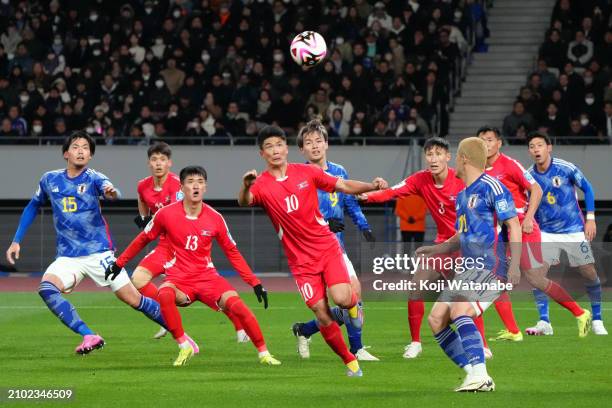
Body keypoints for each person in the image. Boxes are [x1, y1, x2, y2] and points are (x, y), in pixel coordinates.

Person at [238, 125, 388, 377]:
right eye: (269, 147)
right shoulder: (261, 185)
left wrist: (371, 186)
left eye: (278, 145)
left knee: (342, 298)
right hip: (300, 262)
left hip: (326, 247)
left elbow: (343, 185)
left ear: (286, 149)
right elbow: (244, 202)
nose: (275, 151)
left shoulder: (308, 172)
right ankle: (350, 361)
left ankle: (352, 305)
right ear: (262, 154)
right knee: (321, 311)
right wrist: (245, 186)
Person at [4, 132, 170, 355]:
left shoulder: (94, 177)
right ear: (66, 153)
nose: (81, 150)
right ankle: (89, 334)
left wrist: (112, 193)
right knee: (46, 288)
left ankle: (178, 331)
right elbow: (33, 206)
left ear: (90, 156)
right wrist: (16, 241)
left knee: (133, 299)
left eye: (85, 148)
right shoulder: (49, 179)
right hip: (67, 257)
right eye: (76, 146)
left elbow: (112, 191)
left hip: (99, 254)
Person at [106, 166, 280, 366]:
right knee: (164, 293)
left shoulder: (215, 218)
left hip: (208, 279)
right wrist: (119, 263)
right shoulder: (165, 214)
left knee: (238, 306)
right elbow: (143, 238)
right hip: (180, 280)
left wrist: (255, 282)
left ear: (205, 187)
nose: (195, 186)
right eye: (190, 182)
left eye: (200, 182)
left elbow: (232, 253)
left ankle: (264, 354)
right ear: (181, 187)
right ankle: (184, 345)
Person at [360, 137, 491, 359]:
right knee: (416, 286)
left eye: (438, 154)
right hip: (442, 245)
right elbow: (392, 192)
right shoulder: (421, 179)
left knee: (465, 296)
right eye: (430, 154)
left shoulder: (461, 180)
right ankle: (415, 343)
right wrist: (367, 196)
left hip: (467, 245)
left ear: (448, 158)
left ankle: (483, 345)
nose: (433, 158)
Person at [421, 137, 522, 392]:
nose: (454, 161)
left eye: (456, 156)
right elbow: (461, 236)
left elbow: (514, 224)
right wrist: (437, 248)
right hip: (468, 267)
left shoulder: (491, 186)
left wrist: (515, 265)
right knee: (435, 319)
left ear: (465, 158)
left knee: (460, 310)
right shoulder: (463, 195)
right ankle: (473, 374)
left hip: (490, 264)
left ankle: (481, 375)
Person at [132, 142, 248, 342]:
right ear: (149, 163)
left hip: (184, 247)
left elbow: (184, 211)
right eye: (154, 159)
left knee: (211, 291)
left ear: (170, 163)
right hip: (163, 246)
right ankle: (166, 317)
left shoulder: (179, 185)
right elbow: (143, 203)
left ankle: (240, 328)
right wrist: (144, 219)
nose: (158, 164)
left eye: (162, 159)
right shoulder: (143, 185)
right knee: (138, 279)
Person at [291, 119, 379, 362]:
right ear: (302, 150)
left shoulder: (339, 172)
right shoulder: (298, 177)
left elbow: (350, 202)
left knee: (353, 295)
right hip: (309, 251)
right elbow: (296, 215)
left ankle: (356, 348)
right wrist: (323, 224)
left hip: (335, 248)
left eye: (319, 141)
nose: (315, 146)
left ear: (326, 144)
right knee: (327, 308)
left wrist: (364, 226)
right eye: (309, 143)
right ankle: (306, 329)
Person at [525, 132, 606, 336]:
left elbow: (587, 189)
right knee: (536, 275)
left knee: (589, 272)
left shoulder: (565, 167)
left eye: (540, 145)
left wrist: (590, 218)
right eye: (532, 146)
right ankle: (544, 321)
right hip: (545, 232)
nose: (536, 149)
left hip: (573, 230)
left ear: (549, 148)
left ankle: (597, 319)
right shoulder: (528, 175)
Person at [478, 127, 545, 342]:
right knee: (494, 280)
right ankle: (514, 331)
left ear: (499, 143)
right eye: (481, 141)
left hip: (520, 225)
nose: (485, 144)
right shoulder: (477, 168)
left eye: (489, 140)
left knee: (533, 276)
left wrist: (528, 218)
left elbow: (537, 190)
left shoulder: (509, 164)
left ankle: (578, 313)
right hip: (499, 230)